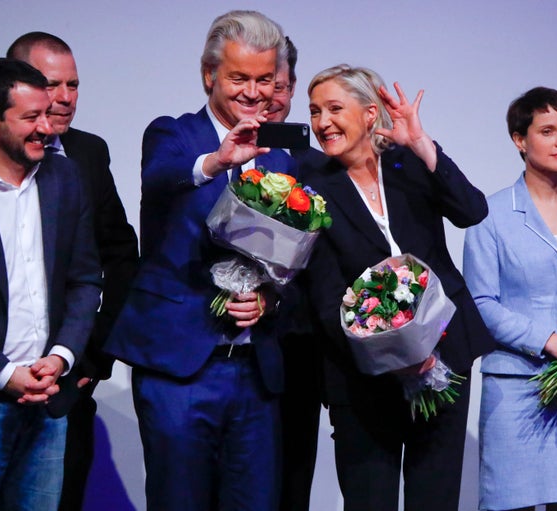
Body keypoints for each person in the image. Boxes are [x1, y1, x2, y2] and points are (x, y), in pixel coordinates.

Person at [104, 10, 297, 511]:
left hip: (255, 374)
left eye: (265, 80)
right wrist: (216, 161)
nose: (254, 93)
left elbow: (294, 262)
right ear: (209, 74)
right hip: (179, 369)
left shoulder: (281, 159)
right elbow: (162, 177)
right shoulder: (173, 135)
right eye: (239, 78)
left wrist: (270, 301)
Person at [302, 64, 494, 511]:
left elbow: (472, 210)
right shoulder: (313, 189)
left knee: (436, 500)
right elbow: (325, 296)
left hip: (445, 356)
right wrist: (392, 354)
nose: (322, 122)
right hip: (364, 380)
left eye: (334, 108)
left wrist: (423, 145)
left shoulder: (411, 161)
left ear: (371, 115)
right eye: (314, 112)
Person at [463, 87, 557, 511]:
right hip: (517, 388)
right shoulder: (487, 214)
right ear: (519, 139)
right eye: (548, 131)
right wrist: (551, 340)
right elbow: (481, 303)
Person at [6, 32, 139, 511]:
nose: (64, 98)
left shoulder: (87, 154)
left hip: (65, 384)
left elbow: (119, 256)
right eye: (51, 84)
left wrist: (90, 357)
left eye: (74, 85)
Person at [0, 58, 101, 511]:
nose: (46, 129)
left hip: (49, 401)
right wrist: (3, 373)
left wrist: (62, 355)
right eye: (30, 118)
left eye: (47, 115)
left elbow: (86, 278)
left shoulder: (65, 178)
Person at [266, 36, 325, 511]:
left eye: (282, 86)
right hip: (228, 344)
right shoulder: (215, 152)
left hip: (298, 349)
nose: (272, 96)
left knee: (291, 482)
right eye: (262, 83)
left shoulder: (320, 162)